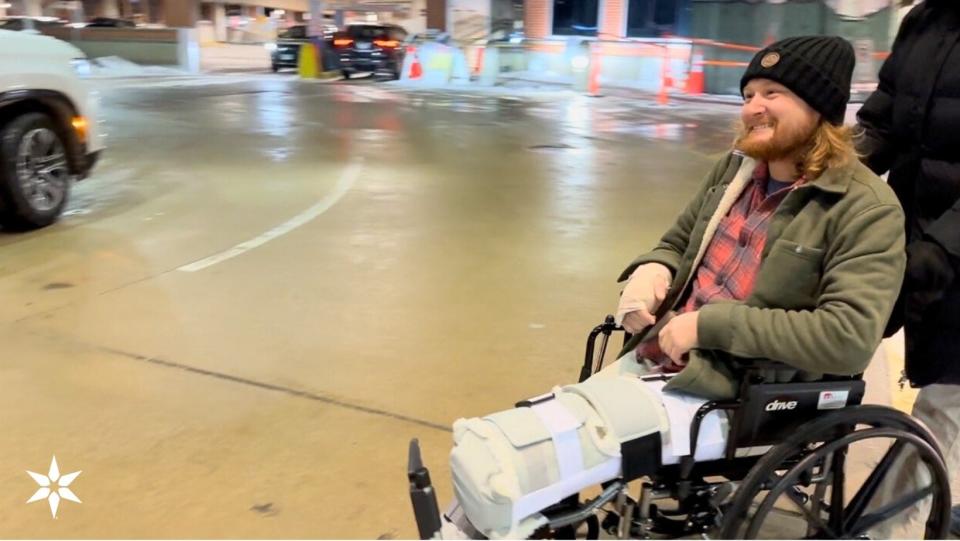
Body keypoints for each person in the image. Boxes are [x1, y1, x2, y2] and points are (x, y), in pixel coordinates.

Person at [616, 35, 905, 402]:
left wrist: (708, 326)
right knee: (540, 428)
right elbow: (677, 243)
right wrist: (654, 269)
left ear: (819, 109)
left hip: (737, 394)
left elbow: (847, 337)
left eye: (772, 94)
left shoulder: (866, 208)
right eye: (748, 95)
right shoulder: (735, 169)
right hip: (656, 357)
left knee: (559, 452)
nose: (753, 108)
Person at [857, 0, 960, 536]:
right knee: (839, 338)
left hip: (949, 246)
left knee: (946, 399)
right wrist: (823, 173)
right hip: (908, 229)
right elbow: (883, 117)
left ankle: (887, 531)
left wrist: (943, 247)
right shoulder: (924, 20)